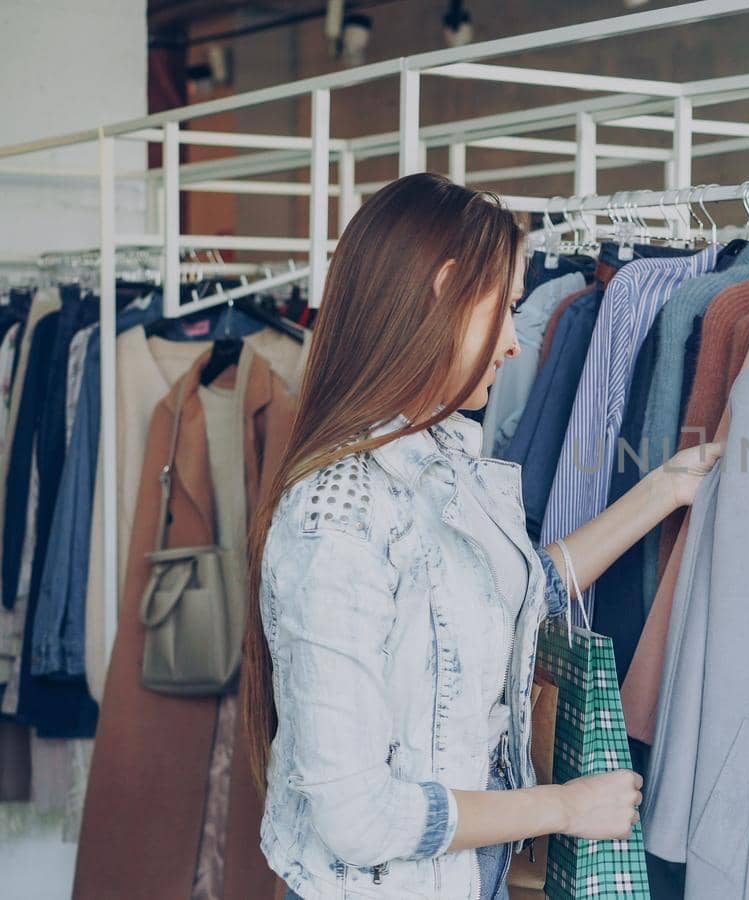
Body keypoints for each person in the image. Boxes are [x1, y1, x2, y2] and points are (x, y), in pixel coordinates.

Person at [239, 173, 723, 899]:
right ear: (445, 289)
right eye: (505, 310)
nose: (512, 344)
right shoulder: (339, 513)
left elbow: (519, 595)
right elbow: (355, 815)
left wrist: (665, 489)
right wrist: (563, 806)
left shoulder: (436, 462)